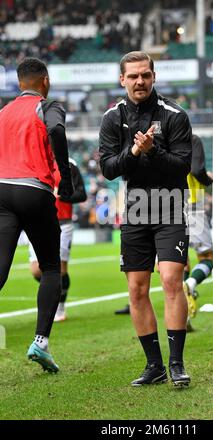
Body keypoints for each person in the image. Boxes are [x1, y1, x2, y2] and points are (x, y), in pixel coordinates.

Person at [99, 51, 192, 387]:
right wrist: (135, 152)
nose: (140, 82)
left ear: (154, 77)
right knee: (137, 290)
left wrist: (153, 151)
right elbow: (109, 167)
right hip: (136, 207)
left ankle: (177, 363)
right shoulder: (112, 118)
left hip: (169, 205)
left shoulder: (175, 115)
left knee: (170, 280)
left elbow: (183, 167)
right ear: (122, 79)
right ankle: (154, 366)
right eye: (133, 76)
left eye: (145, 75)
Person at [0, 58, 73, 372]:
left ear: (19, 84)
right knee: (51, 268)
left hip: (2, 190)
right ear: (45, 80)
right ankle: (40, 342)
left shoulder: (3, 112)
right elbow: (56, 129)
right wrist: (65, 181)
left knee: (1, 268)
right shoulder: (48, 106)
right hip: (34, 189)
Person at [28, 158, 87, 322]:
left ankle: (59, 308)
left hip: (62, 222)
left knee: (60, 269)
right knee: (36, 270)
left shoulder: (69, 164)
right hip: (37, 221)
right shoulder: (33, 159)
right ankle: (52, 293)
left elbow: (81, 194)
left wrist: (61, 195)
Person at [183, 134, 213, 332]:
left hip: (167, 206)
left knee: (178, 262)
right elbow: (196, 170)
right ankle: (192, 284)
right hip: (193, 204)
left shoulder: (162, 138)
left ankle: (183, 317)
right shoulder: (191, 139)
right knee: (207, 258)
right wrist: (207, 179)